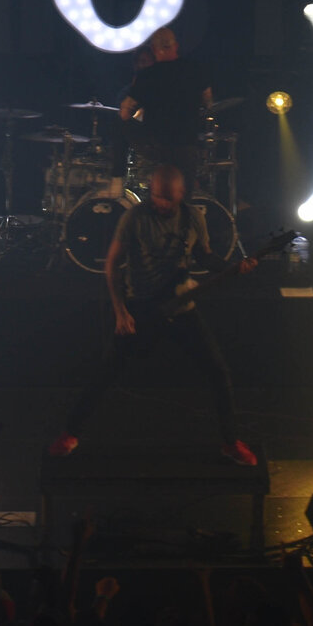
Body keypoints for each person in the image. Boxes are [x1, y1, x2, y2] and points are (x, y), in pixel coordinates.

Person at [50, 161, 260, 465]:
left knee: (218, 372)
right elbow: (111, 265)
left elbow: (205, 256)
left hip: (180, 305)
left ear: (181, 193)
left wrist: (234, 268)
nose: (161, 204)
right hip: (141, 305)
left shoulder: (192, 217)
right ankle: (69, 434)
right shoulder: (135, 217)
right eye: (157, 197)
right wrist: (121, 312)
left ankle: (230, 442)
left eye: (168, 198)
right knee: (106, 373)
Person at [119, 26, 211, 175]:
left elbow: (125, 112)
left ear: (154, 50)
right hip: (186, 144)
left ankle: (118, 176)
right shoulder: (195, 70)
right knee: (183, 191)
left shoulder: (146, 76)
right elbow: (208, 102)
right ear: (176, 46)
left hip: (156, 147)